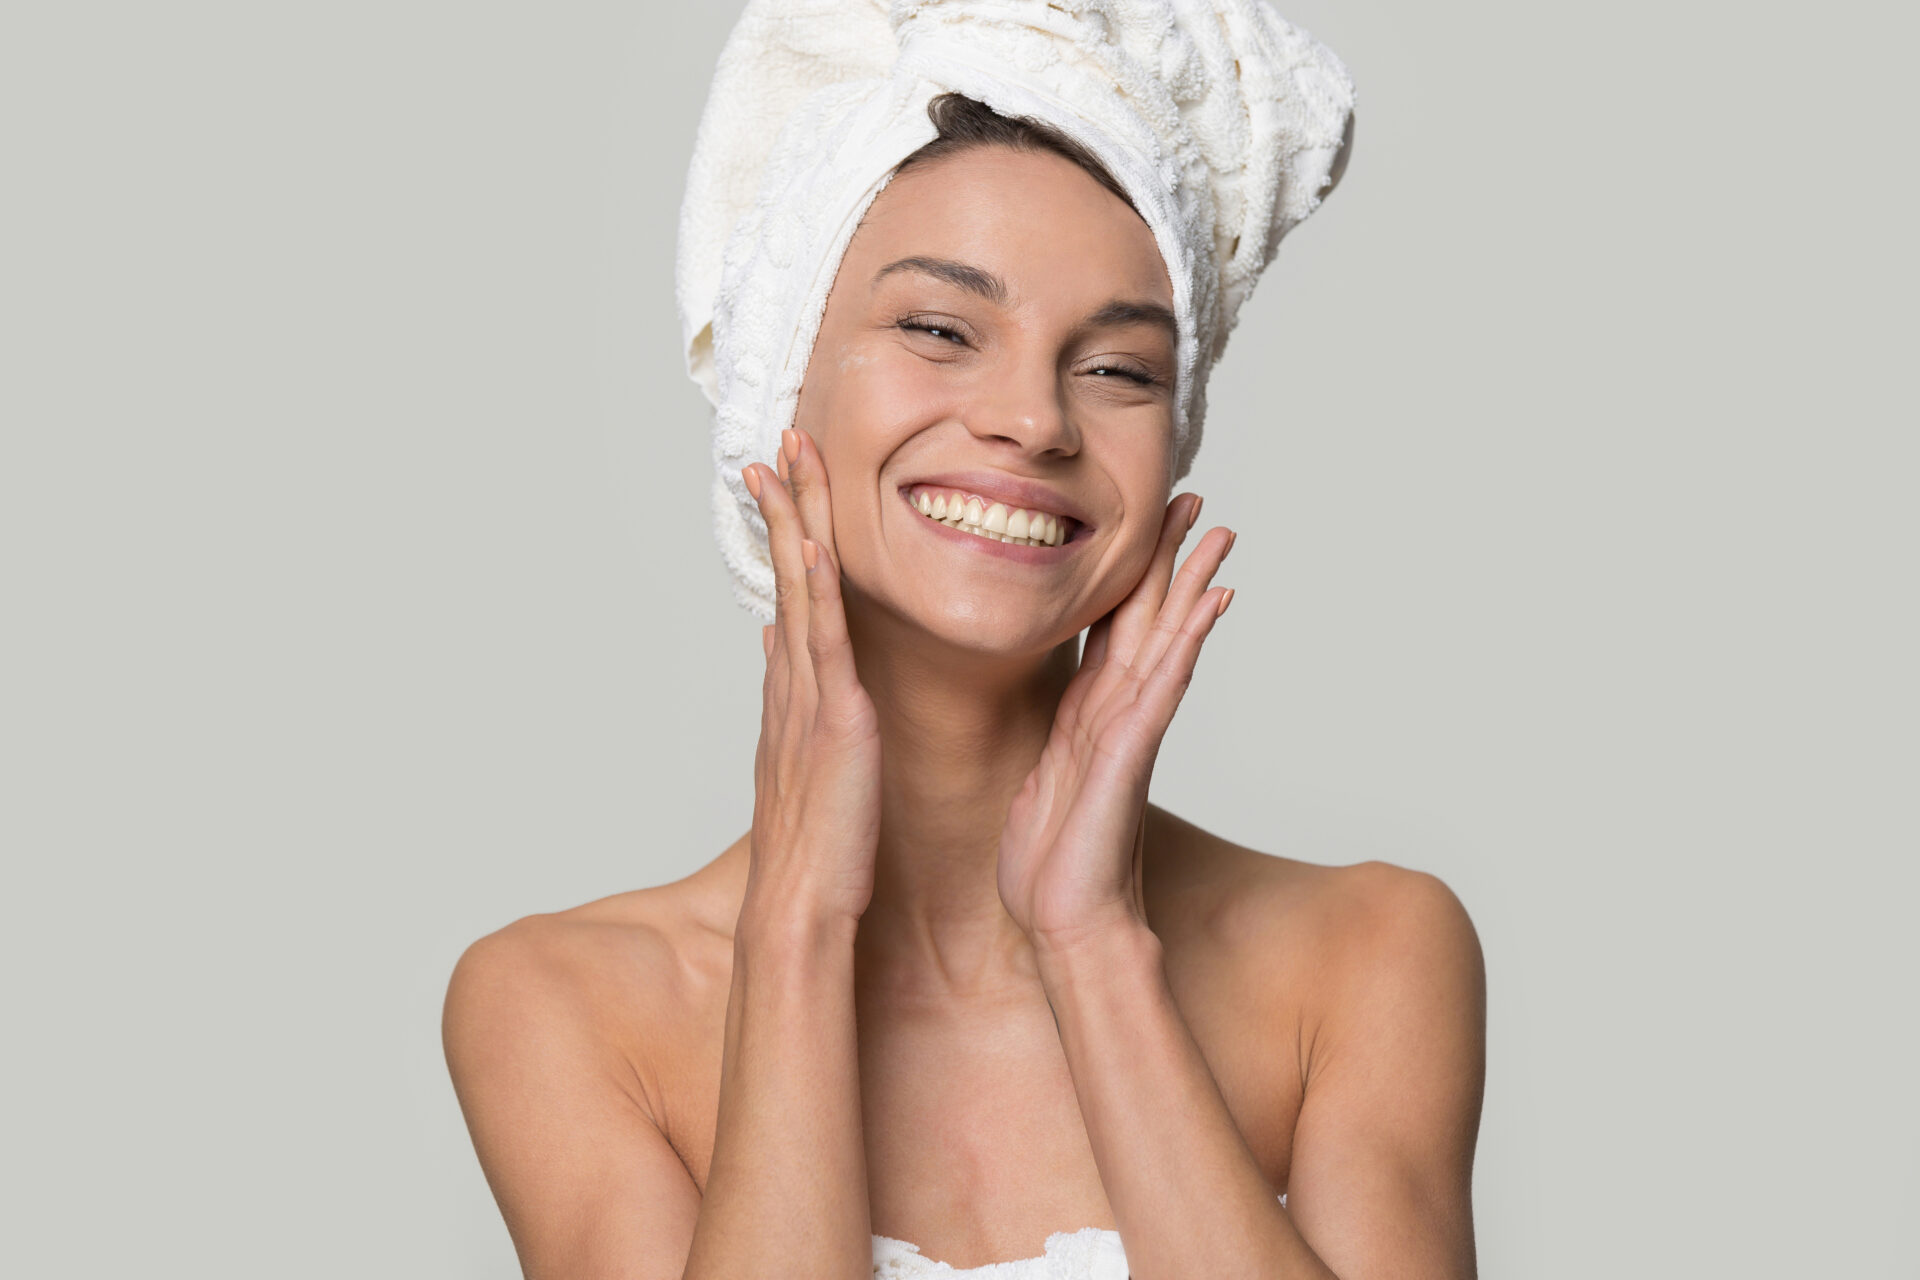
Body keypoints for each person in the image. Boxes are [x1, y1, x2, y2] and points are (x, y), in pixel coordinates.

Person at [444, 4, 1484, 1278]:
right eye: (941, 329)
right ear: (780, 385)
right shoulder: (569, 1006)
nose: (1032, 420)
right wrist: (799, 927)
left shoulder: (1369, 954)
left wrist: (1094, 944)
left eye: (1118, 368)